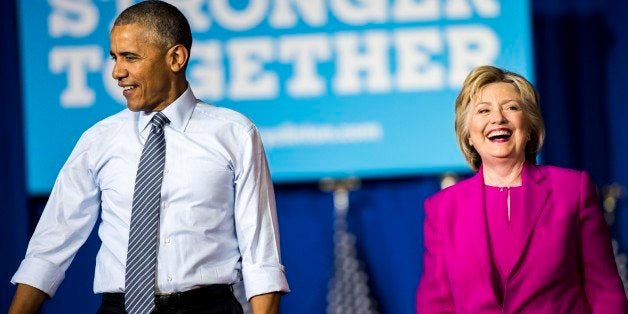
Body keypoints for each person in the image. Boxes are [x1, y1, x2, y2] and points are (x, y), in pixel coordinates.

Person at [9, 1, 289, 313]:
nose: (117, 72)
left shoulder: (235, 134)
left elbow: (261, 258)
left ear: (176, 58)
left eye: (130, 57)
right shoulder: (98, 139)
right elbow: (50, 247)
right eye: (114, 58)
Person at [416, 65, 628, 313]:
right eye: (483, 110)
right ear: (468, 136)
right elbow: (436, 304)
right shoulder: (442, 208)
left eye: (511, 107)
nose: (498, 118)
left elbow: (604, 291)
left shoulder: (573, 190)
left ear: (529, 127)